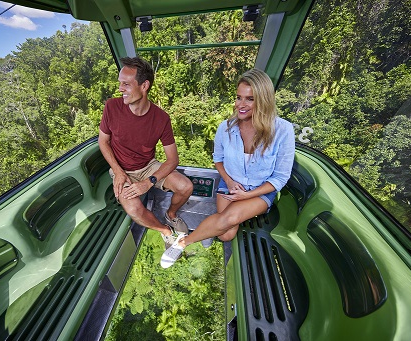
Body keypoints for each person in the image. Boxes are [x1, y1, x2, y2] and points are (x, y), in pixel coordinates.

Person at [160, 68, 295, 268]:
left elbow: (280, 179)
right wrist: (230, 182)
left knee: (229, 218)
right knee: (227, 233)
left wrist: (246, 197)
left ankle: (183, 242)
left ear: (263, 100)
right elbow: (218, 160)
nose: (241, 105)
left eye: (249, 99)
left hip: (260, 191)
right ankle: (216, 227)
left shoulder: (283, 130)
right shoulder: (226, 127)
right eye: (238, 97)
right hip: (230, 183)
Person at [98, 56, 194, 249]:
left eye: (126, 84)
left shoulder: (161, 118)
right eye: (120, 83)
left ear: (144, 86)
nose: (120, 89)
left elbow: (172, 159)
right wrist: (118, 172)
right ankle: (165, 231)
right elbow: (103, 141)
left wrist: (148, 182)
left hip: (148, 167)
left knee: (185, 187)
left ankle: (171, 215)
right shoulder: (112, 107)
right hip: (121, 169)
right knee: (134, 208)